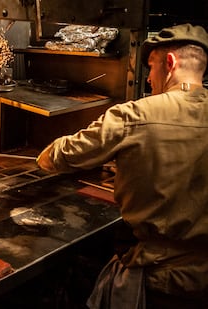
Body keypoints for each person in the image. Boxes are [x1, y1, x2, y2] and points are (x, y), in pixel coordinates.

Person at [36, 23, 208, 308]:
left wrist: (44, 154)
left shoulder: (136, 115)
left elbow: (63, 155)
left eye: (150, 68)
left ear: (170, 62)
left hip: (160, 282)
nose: (149, 79)